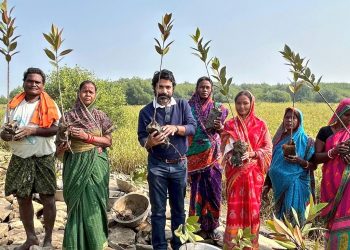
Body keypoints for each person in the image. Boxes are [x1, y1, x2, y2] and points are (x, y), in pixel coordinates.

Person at [0, 67, 60, 250]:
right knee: (22, 198)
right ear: (24, 82)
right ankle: (31, 238)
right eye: (30, 81)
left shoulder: (51, 104)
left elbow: (57, 128)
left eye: (38, 82)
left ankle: (48, 239)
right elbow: (3, 133)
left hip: (43, 157)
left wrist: (32, 130)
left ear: (43, 85)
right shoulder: (13, 105)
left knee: (48, 197)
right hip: (20, 158)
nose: (33, 84)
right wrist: (7, 133)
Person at [137, 69, 196, 250]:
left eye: (168, 87)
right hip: (157, 166)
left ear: (173, 88)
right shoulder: (146, 111)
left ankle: (179, 245)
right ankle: (160, 246)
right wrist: (151, 142)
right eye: (160, 87)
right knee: (158, 211)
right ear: (154, 88)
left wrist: (176, 128)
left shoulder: (182, 105)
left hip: (179, 165)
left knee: (179, 210)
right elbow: (141, 138)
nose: (164, 91)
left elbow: (192, 127)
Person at [57, 80, 115, 250]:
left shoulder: (100, 116)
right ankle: (74, 245)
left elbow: (108, 141)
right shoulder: (67, 117)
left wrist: (87, 137)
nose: (87, 94)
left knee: (95, 205)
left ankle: (97, 243)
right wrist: (63, 146)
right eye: (84, 91)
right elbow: (58, 147)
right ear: (78, 93)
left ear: (95, 95)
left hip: (96, 165)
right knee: (75, 206)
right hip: (74, 165)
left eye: (91, 92)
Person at [221, 90, 272, 249]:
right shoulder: (230, 124)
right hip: (235, 174)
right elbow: (224, 147)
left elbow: (268, 149)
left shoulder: (260, 124)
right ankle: (232, 245)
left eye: (245, 103)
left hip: (253, 176)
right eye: (239, 103)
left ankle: (249, 245)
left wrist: (252, 154)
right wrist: (229, 156)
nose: (242, 107)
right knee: (234, 209)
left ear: (251, 104)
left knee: (252, 211)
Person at [187, 76, 228, 241]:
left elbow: (224, 133)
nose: (204, 90)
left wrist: (221, 127)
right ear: (197, 88)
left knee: (213, 191)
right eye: (201, 87)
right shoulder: (188, 107)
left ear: (212, 90)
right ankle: (196, 226)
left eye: (207, 87)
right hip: (194, 156)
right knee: (196, 192)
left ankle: (212, 227)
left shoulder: (219, 108)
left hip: (213, 157)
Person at [262, 108, 315, 224]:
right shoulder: (278, 139)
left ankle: (293, 239)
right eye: (287, 117)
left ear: (299, 120)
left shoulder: (307, 141)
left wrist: (299, 161)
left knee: (292, 215)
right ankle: (281, 238)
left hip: (296, 182)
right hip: (278, 185)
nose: (289, 120)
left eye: (293, 118)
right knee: (281, 215)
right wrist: (267, 184)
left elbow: (313, 165)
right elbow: (272, 162)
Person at [312, 98, 350, 249]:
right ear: (339, 112)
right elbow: (315, 157)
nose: (349, 118)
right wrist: (333, 152)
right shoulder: (326, 132)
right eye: (347, 114)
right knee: (332, 222)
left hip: (347, 184)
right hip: (330, 185)